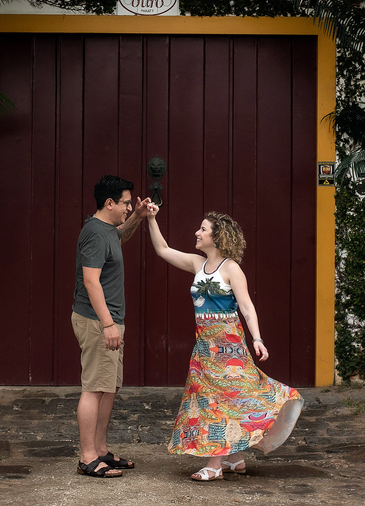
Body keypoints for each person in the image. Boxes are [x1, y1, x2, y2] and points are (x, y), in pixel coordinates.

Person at [145, 207, 303, 481]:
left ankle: (214, 465)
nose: (197, 232)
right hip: (204, 346)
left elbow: (246, 306)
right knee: (215, 398)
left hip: (228, 346)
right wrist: (151, 219)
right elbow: (162, 249)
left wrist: (257, 338)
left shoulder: (231, 268)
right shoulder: (198, 264)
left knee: (220, 401)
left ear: (217, 238)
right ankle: (235, 458)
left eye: (203, 229)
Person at [72, 174, 150, 478]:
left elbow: (121, 234)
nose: (129, 207)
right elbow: (91, 281)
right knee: (94, 388)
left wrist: (139, 218)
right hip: (97, 321)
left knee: (108, 387)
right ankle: (87, 457)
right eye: (126, 203)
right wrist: (107, 324)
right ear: (109, 203)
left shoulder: (106, 230)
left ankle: (101, 450)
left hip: (108, 321)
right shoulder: (93, 232)